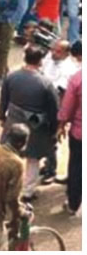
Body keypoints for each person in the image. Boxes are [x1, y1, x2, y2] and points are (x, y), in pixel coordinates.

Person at [0, 46, 59, 200]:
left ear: (25, 58)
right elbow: (54, 110)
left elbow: (3, 99)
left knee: (9, 156)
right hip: (36, 128)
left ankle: (5, 187)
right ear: (40, 61)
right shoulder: (46, 83)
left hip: (13, 122)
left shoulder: (11, 76)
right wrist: (53, 130)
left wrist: (1, 117)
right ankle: (27, 192)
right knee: (33, 159)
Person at [57, 59, 81, 215]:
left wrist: (61, 124)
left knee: (77, 169)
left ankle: (73, 204)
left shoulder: (78, 78)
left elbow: (67, 107)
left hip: (80, 134)